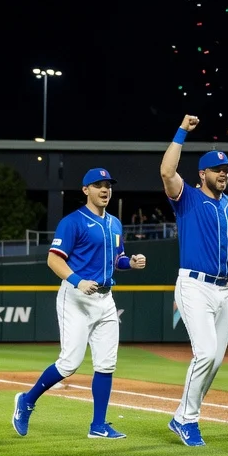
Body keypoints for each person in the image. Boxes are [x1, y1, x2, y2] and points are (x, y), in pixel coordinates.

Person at [13, 168, 145, 440]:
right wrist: (77, 281)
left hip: (106, 298)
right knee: (69, 363)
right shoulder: (72, 222)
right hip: (76, 298)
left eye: (108, 185)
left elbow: (116, 260)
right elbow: (54, 260)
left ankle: (98, 426)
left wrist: (129, 263)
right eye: (98, 185)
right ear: (85, 190)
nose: (104, 189)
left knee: (106, 364)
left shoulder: (114, 224)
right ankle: (26, 400)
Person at [160, 116, 228, 446]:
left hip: (224, 289)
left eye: (227, 169)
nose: (224, 173)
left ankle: (180, 416)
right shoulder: (188, 198)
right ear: (202, 174)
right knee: (205, 354)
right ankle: (188, 420)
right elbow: (166, 172)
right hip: (194, 285)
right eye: (217, 169)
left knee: (216, 360)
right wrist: (181, 132)